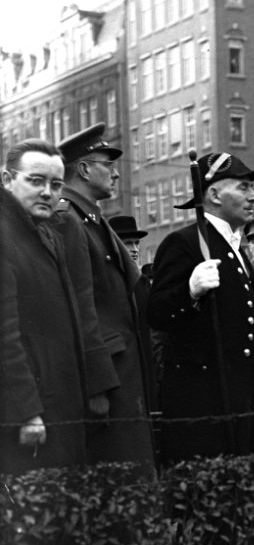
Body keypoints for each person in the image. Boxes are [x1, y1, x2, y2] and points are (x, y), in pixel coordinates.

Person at [146, 151, 254, 462]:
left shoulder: (234, 248)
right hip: (208, 402)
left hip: (245, 398)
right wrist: (188, 292)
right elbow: (157, 313)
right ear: (215, 194)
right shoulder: (185, 243)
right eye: (244, 188)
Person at [58, 122, 155, 472]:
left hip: (121, 372)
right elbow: (80, 307)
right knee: (118, 482)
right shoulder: (69, 220)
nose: (115, 175)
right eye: (107, 165)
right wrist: (96, 386)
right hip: (107, 380)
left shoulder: (92, 219)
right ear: (83, 169)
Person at [0, 139, 88, 473]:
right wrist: (27, 411)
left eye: (55, 184)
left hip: (55, 405)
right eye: (35, 181)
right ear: (8, 180)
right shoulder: (6, 236)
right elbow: (5, 335)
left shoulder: (42, 232)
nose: (47, 192)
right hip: (29, 416)